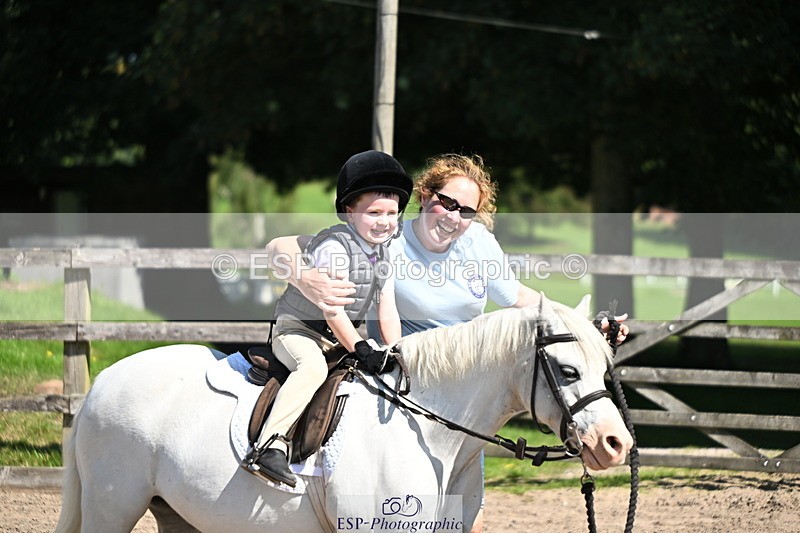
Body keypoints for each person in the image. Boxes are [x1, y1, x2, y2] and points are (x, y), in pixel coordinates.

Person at [265, 153, 628, 529]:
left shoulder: (477, 243)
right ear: (424, 196)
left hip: (463, 395)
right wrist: (305, 277)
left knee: (463, 523)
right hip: (403, 381)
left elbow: (521, 298)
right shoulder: (386, 232)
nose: (454, 217)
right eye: (447, 203)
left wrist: (584, 324)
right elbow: (280, 246)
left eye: (466, 210)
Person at [245, 149, 414, 488]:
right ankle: (268, 445)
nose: (384, 221)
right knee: (313, 369)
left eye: (391, 213)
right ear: (349, 212)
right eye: (374, 212)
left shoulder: (386, 253)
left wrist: (396, 348)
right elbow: (331, 309)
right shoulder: (334, 247)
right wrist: (361, 348)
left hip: (337, 338)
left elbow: (387, 306)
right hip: (299, 331)